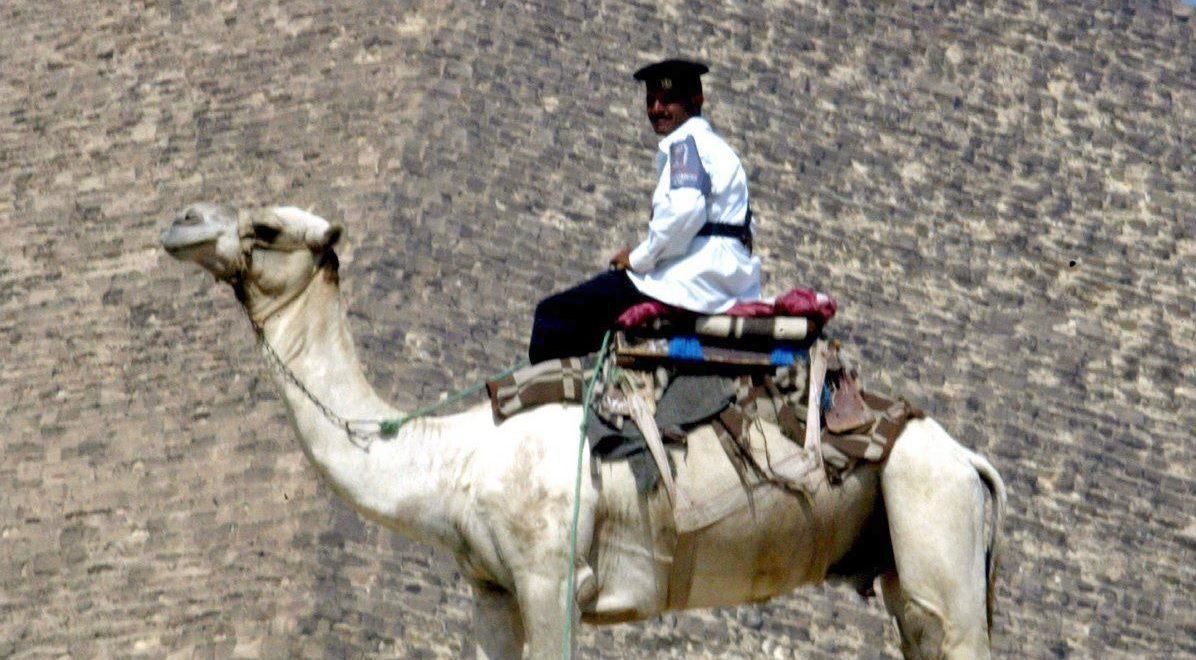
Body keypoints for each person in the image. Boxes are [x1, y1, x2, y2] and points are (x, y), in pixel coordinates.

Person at [528, 58, 761, 364]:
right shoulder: (719, 149)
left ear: (696, 100)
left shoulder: (685, 145)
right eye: (651, 100)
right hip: (726, 280)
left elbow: (684, 212)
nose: (656, 109)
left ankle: (554, 401)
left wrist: (638, 259)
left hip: (691, 283)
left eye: (667, 101)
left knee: (554, 314)